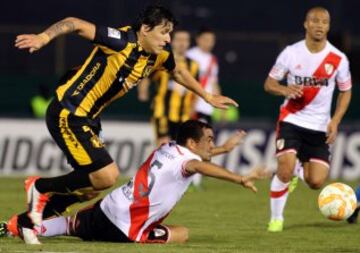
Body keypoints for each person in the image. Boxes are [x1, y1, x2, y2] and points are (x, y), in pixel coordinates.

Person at [13, 5, 238, 244]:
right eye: (164, 32)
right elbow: (74, 23)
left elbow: (178, 72)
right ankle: (39, 187)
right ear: (145, 29)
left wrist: (207, 96)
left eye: (170, 33)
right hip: (68, 111)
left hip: (89, 119)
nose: (168, 39)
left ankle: (26, 222)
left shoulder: (159, 56)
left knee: (92, 187)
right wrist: (43, 37)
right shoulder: (121, 41)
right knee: (107, 175)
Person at [0, 120, 269, 244]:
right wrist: (240, 177)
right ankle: (29, 224)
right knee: (183, 234)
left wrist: (223, 148)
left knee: (71, 225)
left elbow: (197, 156)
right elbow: (198, 164)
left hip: (107, 207)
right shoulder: (189, 161)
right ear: (191, 143)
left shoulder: (166, 147)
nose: (212, 143)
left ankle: (18, 226)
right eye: (209, 139)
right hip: (126, 228)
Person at [264, 7, 352, 232]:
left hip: (319, 127)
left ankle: (298, 172)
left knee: (316, 182)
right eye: (315, 21)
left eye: (324, 22)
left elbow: (346, 91)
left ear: (328, 27)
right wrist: (284, 90)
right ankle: (276, 219)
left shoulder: (338, 59)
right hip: (291, 120)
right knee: (284, 169)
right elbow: (269, 84)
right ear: (306, 24)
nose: (320, 25)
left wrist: (336, 120)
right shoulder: (291, 53)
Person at [138, 29, 199, 146]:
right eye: (179, 40)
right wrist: (143, 91)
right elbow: (147, 76)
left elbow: (196, 88)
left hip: (183, 115)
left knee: (181, 150)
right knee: (164, 147)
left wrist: (193, 108)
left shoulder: (194, 65)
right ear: (173, 42)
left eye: (185, 40)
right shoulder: (163, 60)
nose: (182, 43)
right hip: (163, 113)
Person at [187, 27, 220, 125]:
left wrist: (220, 105)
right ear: (198, 39)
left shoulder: (213, 60)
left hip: (207, 107)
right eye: (206, 39)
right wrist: (191, 105)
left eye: (211, 40)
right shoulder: (190, 55)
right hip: (189, 105)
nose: (209, 43)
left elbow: (214, 83)